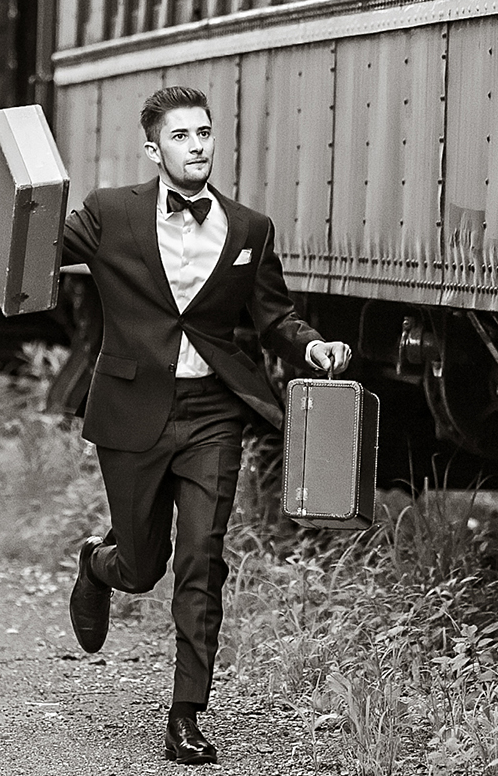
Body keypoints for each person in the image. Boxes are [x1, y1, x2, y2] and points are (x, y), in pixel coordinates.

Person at [59, 85, 352, 765]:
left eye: (205, 133)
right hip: (131, 411)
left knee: (201, 560)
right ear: (153, 148)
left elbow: (273, 316)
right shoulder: (107, 213)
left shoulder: (250, 229)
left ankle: (186, 714)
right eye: (182, 135)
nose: (197, 145)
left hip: (212, 413)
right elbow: (36, 250)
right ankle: (98, 565)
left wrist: (311, 345)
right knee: (144, 565)